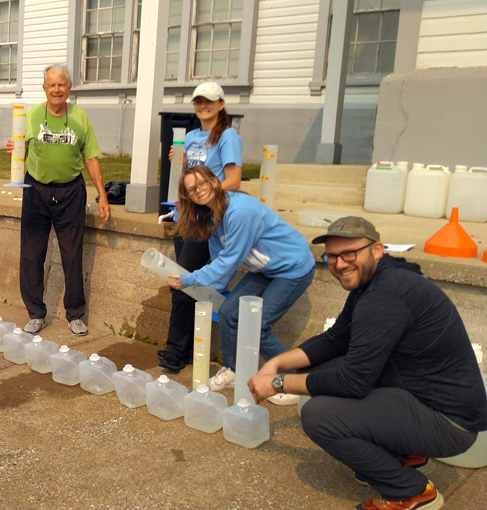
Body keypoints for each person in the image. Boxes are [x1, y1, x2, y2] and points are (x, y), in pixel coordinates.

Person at [248, 217, 487, 510]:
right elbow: (337, 338)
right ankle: (400, 455)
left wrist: (277, 383)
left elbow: (354, 381)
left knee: (319, 415)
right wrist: (278, 362)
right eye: (332, 256)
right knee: (323, 373)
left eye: (350, 253)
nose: (339, 263)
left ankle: (410, 492)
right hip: (422, 398)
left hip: (451, 423)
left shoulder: (385, 295)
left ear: (376, 250)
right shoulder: (375, 282)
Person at [168, 165, 314, 403]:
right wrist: (212, 287)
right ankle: (234, 371)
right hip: (264, 268)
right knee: (228, 312)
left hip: (292, 267)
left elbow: (228, 262)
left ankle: (292, 381)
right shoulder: (212, 214)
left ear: (214, 181)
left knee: (258, 324)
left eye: (202, 183)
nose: (199, 191)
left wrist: (190, 280)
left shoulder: (240, 212)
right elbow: (219, 256)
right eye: (192, 190)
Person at [5, 64, 110, 337]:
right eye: (51, 85)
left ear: (69, 88)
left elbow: (90, 157)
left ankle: (75, 314)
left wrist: (103, 195)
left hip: (70, 193)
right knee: (31, 255)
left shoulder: (80, 117)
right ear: (44, 88)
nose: (56, 89)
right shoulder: (31, 115)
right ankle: (36, 314)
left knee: (72, 256)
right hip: (36, 191)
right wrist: (13, 149)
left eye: (61, 84)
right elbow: (20, 147)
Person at [158, 82, 243, 375]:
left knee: (183, 281)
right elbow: (185, 178)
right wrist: (178, 165)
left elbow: (233, 180)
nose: (203, 106)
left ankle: (176, 351)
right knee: (190, 283)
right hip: (185, 215)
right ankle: (192, 348)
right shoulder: (192, 136)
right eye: (198, 101)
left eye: (209, 101)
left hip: (207, 218)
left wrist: (203, 192)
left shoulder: (228, 137)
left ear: (221, 104)